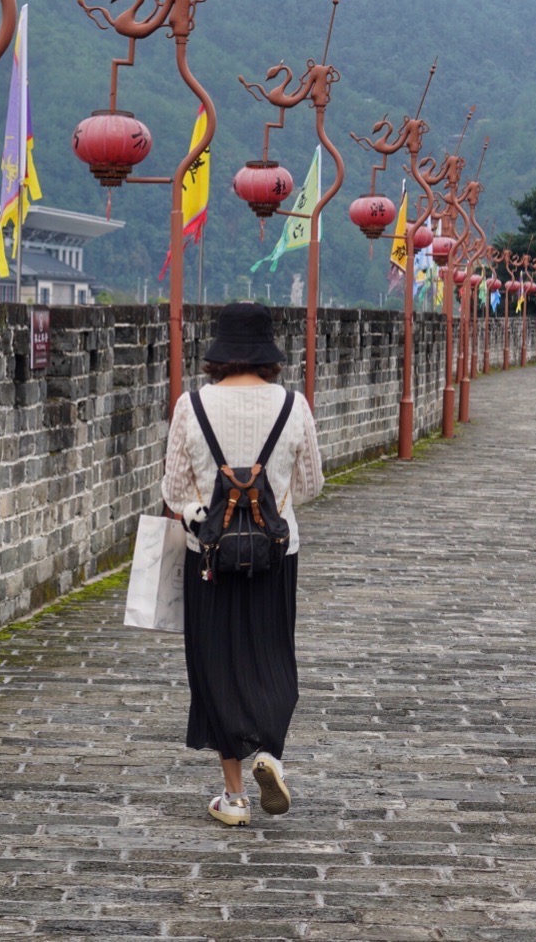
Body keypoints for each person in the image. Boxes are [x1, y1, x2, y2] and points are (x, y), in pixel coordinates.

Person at [160, 302, 323, 827]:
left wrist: (199, 511)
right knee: (274, 656)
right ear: (270, 354)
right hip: (276, 555)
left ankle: (232, 798)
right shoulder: (293, 406)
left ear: (218, 355)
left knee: (215, 669)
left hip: (209, 557)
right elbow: (311, 485)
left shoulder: (192, 405)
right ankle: (270, 754)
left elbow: (173, 490)